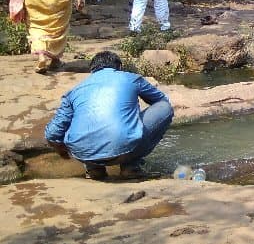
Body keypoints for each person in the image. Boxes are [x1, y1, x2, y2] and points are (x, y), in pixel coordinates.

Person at [45, 50, 173, 181]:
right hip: (125, 148)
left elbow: (52, 133)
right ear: (119, 67)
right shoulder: (130, 78)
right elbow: (161, 100)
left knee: (76, 120)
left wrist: (62, 150)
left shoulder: (74, 91)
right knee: (165, 108)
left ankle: (94, 169)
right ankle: (131, 167)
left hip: (83, 154)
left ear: (92, 71)